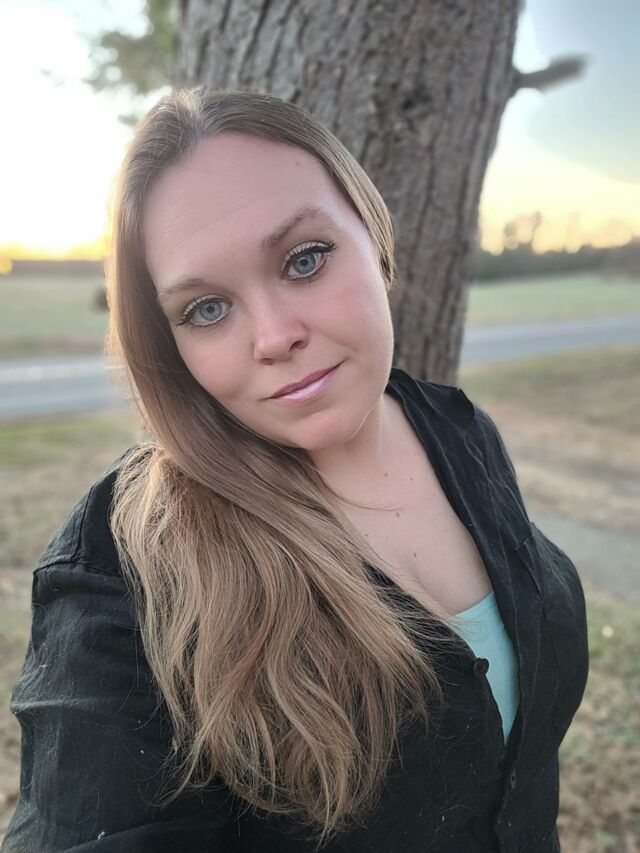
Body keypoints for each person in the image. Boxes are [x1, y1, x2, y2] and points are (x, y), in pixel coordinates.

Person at [2, 87, 589, 853]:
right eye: (207, 308)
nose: (275, 336)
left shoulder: (456, 428)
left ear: (373, 235)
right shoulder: (126, 569)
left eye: (304, 260)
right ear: (170, 345)